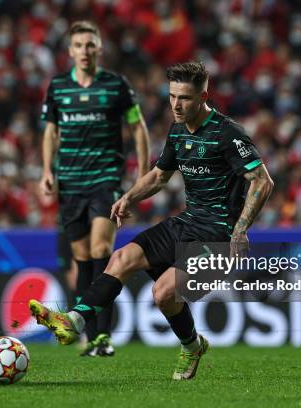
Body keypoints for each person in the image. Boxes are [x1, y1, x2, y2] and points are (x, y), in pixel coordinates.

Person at [30, 61, 273, 379]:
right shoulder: (177, 130)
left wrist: (241, 230)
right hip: (186, 222)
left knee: (163, 294)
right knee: (121, 258)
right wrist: (128, 197)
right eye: (172, 96)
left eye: (184, 98)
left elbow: (262, 180)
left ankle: (191, 346)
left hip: (217, 235)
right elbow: (159, 176)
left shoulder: (227, 133)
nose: (176, 104)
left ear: (203, 96)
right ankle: (73, 323)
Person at [39, 21, 150, 357]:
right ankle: (86, 334)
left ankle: (104, 336)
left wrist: (143, 173)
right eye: (79, 45)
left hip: (105, 179)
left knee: (102, 247)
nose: (85, 51)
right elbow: (50, 131)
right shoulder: (58, 87)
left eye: (91, 44)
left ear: (100, 48)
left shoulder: (116, 85)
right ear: (70, 51)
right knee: (82, 258)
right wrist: (46, 170)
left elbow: (138, 127)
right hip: (70, 182)